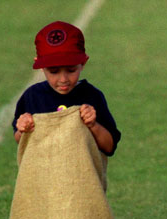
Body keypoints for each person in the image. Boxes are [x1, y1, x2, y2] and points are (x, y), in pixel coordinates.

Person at [13, 21, 120, 156]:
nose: (63, 79)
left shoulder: (92, 96)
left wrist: (93, 125)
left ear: (83, 63)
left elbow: (109, 146)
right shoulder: (32, 96)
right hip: (42, 174)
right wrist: (22, 129)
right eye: (53, 71)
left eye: (71, 70)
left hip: (81, 174)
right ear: (40, 66)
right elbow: (20, 141)